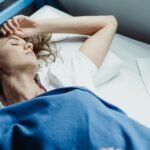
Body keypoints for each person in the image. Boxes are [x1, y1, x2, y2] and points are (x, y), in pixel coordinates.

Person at [0, 15, 118, 106]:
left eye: (26, 42)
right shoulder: (5, 126)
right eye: (14, 43)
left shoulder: (63, 75)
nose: (29, 45)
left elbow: (109, 23)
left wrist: (38, 27)